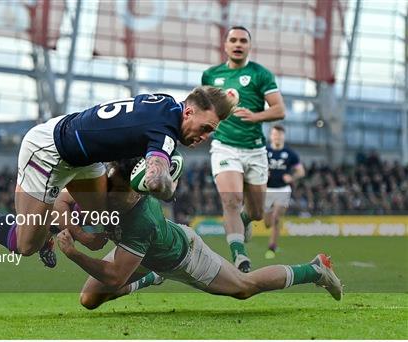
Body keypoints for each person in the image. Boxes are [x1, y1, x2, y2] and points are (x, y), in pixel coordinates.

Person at [0, 87, 235, 262]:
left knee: (99, 216)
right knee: (24, 245)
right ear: (189, 113)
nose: (204, 136)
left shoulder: (167, 102)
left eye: (211, 132)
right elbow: (157, 180)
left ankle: (48, 227)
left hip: (83, 153)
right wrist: (170, 181)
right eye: (205, 128)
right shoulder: (165, 131)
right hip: (49, 152)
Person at [55, 158, 343, 310]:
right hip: (141, 254)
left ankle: (315, 269)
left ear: (138, 189)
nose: (111, 195)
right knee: (89, 300)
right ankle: (150, 277)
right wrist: (78, 232)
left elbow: (114, 275)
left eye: (121, 190)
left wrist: (74, 253)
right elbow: (63, 201)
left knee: (244, 288)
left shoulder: (143, 218)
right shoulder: (105, 188)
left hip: (183, 256)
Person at [202, 26, 285, 272]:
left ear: (249, 46)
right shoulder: (210, 75)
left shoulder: (261, 74)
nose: (238, 44)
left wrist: (256, 115)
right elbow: (204, 110)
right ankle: (240, 256)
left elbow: (279, 110)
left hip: (255, 151)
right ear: (225, 45)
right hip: (225, 147)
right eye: (233, 40)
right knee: (232, 200)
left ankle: (246, 220)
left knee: (257, 213)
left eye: (243, 41)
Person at [264, 125, 305, 259]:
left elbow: (301, 171)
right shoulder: (263, 152)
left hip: (283, 190)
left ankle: (272, 247)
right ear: (271, 136)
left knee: (276, 218)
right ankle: (268, 216)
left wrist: (292, 177)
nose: (277, 136)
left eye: (280, 134)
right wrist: (263, 174)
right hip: (266, 190)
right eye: (275, 134)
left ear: (283, 136)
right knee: (267, 222)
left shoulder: (290, 153)